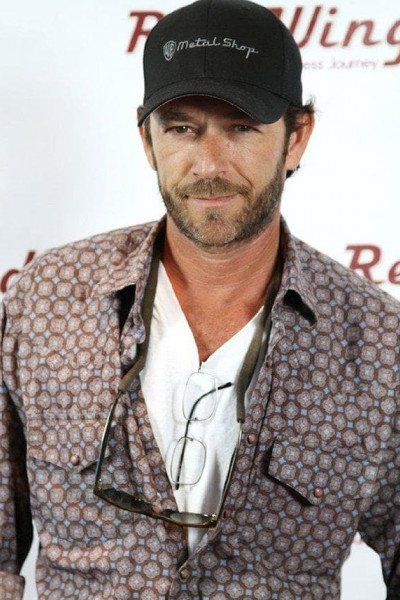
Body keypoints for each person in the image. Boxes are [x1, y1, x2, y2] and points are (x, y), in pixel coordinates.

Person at [1, 0, 399, 598]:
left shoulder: (376, 341)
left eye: (241, 128)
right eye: (182, 128)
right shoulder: (49, 299)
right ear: (147, 140)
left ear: (296, 139)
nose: (209, 164)